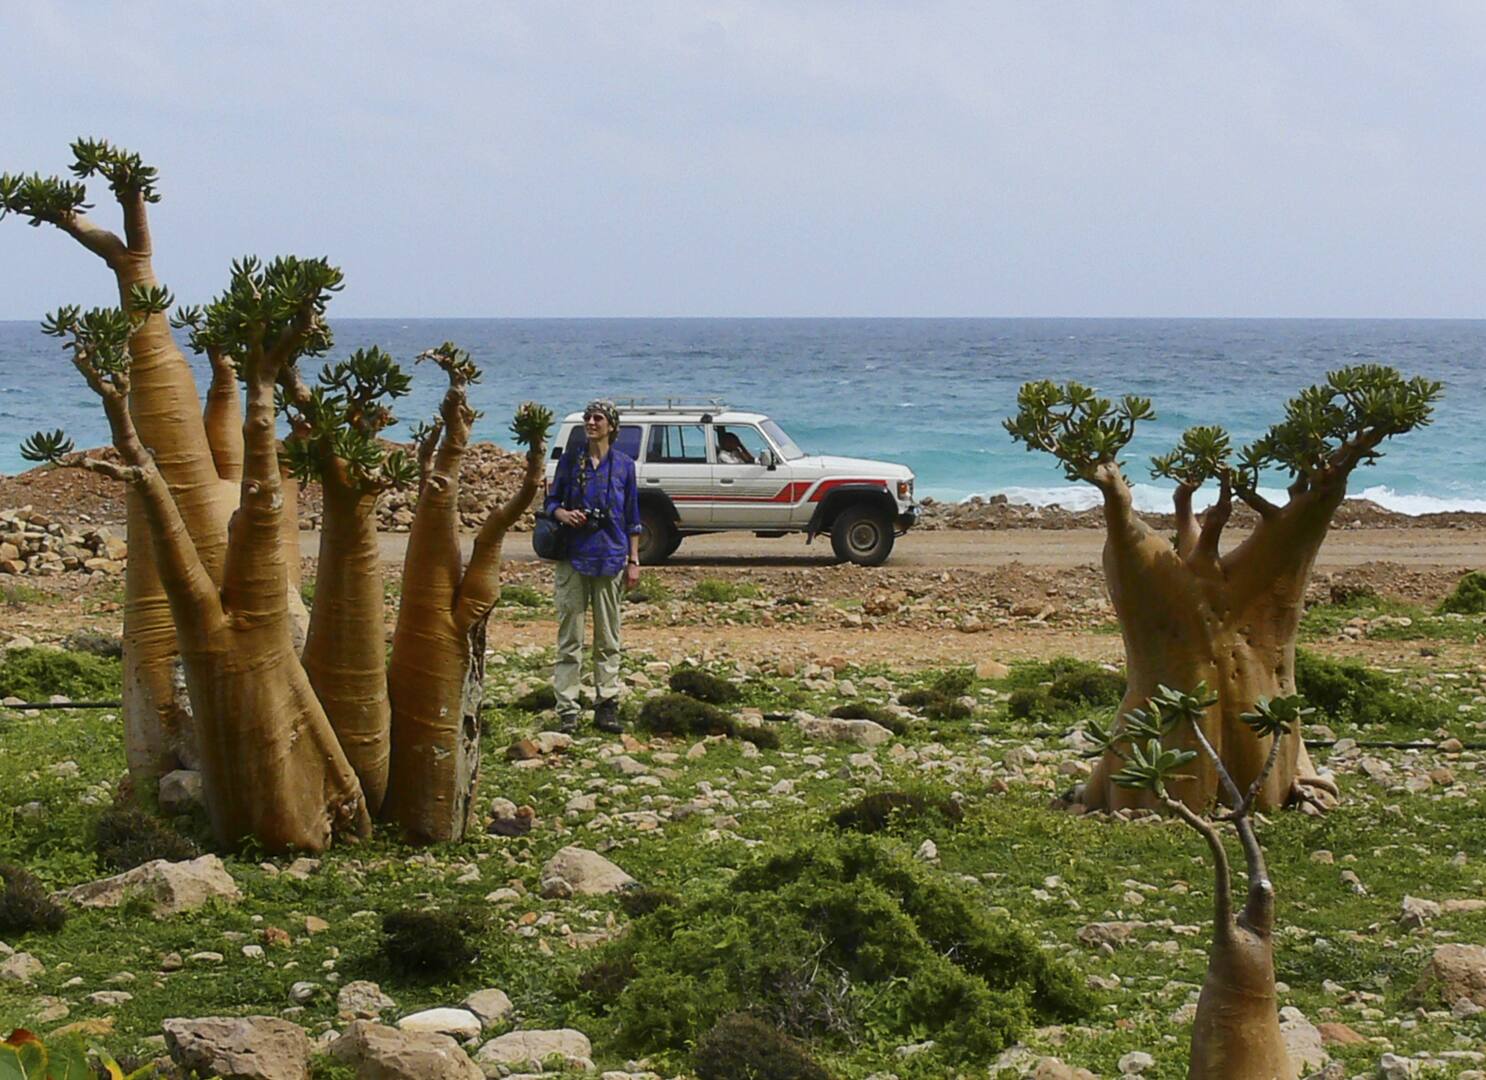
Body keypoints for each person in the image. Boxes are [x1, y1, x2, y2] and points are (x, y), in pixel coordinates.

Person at [546, 399, 642, 733]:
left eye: (597, 418)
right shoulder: (572, 462)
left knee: (608, 637)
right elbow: (551, 501)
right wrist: (564, 515)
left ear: (611, 426)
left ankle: (607, 704)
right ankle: (568, 709)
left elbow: (633, 518)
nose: (590, 422)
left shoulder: (625, 466)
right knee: (569, 638)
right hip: (574, 557)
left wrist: (634, 561)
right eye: (587, 417)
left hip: (611, 558)